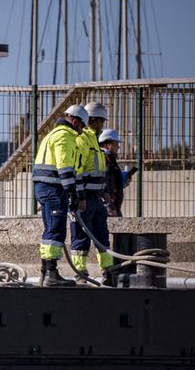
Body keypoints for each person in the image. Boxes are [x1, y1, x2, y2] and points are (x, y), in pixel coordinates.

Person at [31, 104, 87, 287]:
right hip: (52, 188)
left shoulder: (53, 134)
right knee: (56, 228)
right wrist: (73, 192)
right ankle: (51, 274)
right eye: (82, 126)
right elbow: (64, 166)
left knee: (50, 229)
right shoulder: (65, 136)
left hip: (46, 187)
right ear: (75, 121)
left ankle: (45, 272)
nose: (82, 131)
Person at [69, 102, 113, 284]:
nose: (101, 126)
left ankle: (109, 271)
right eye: (99, 122)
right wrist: (79, 198)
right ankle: (80, 273)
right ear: (91, 121)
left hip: (96, 199)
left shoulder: (94, 141)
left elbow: (97, 171)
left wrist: (104, 192)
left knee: (102, 236)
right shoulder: (82, 140)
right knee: (81, 237)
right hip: (84, 199)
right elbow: (77, 171)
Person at [99, 128, 137, 218]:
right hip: (108, 204)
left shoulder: (110, 159)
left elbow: (112, 179)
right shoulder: (103, 159)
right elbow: (103, 182)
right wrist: (109, 206)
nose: (118, 147)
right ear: (107, 144)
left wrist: (124, 177)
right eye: (116, 144)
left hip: (113, 203)